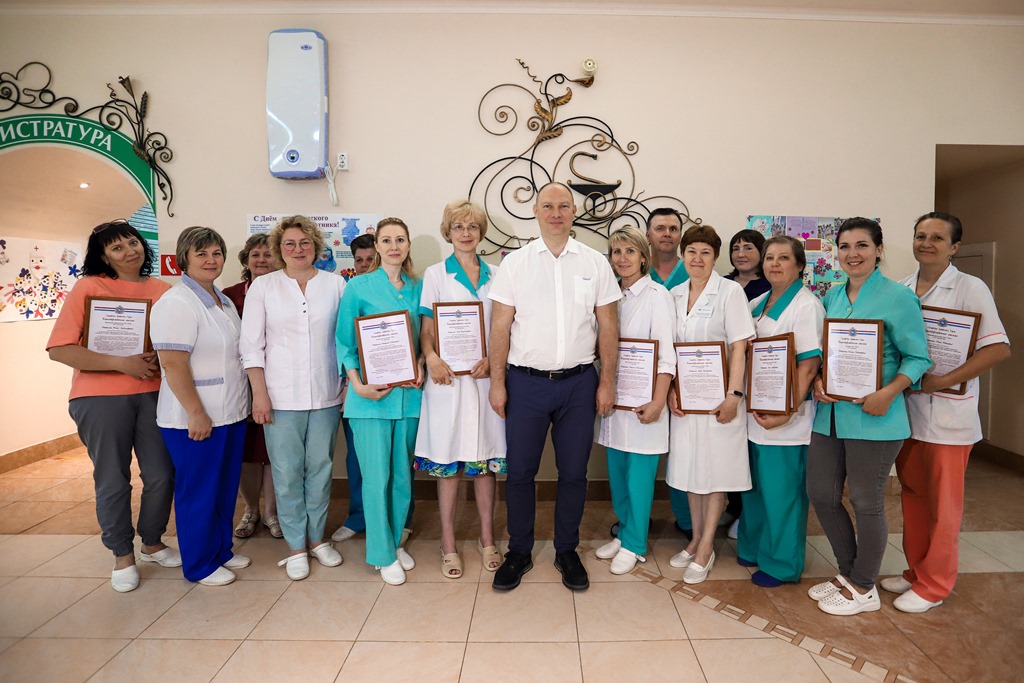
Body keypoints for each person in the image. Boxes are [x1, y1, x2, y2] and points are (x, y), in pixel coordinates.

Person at [488, 181, 621, 592]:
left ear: (574, 212)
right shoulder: (516, 264)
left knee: (575, 473)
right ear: (536, 212)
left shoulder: (595, 263)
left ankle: (567, 550)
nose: (556, 213)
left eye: (564, 206)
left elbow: (609, 326)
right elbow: (500, 326)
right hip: (525, 383)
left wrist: (607, 382)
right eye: (548, 206)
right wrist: (497, 383)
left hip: (579, 384)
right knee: (520, 472)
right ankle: (519, 551)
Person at [882, 212, 1010, 613]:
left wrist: (945, 380)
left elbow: (998, 348)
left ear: (954, 247)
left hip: (949, 417)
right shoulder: (902, 288)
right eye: (920, 235)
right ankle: (915, 572)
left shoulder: (970, 288)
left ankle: (935, 584)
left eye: (937, 238)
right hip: (909, 413)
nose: (926, 243)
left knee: (944, 506)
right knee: (914, 497)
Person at [806, 217, 931, 616]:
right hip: (830, 415)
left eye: (861, 245)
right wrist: (819, 381)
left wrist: (889, 393)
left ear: (878, 250)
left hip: (876, 417)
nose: (852, 254)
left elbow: (918, 358)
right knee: (821, 493)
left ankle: (864, 586)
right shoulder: (832, 296)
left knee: (865, 500)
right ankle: (848, 574)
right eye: (845, 246)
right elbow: (826, 353)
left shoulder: (898, 297)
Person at [46, 219, 179, 593]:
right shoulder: (89, 287)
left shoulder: (163, 290)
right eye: (117, 247)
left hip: (154, 394)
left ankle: (151, 542)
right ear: (103, 256)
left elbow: (174, 342)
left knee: (162, 474)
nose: (129, 251)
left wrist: (157, 359)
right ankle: (122, 554)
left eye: (132, 242)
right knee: (113, 478)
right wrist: (121, 363)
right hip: (98, 398)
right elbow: (60, 349)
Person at [240, 215, 346, 581]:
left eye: (304, 243)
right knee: (286, 474)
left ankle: (317, 539)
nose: (298, 249)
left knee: (320, 469)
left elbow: (346, 339)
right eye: (290, 243)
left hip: (326, 394)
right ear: (278, 249)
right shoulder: (263, 287)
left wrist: (348, 383)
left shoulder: (335, 285)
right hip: (280, 398)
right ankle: (296, 547)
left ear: (316, 246)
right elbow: (251, 347)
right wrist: (259, 395)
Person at [151, 226, 250, 586]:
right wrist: (196, 412)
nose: (211, 260)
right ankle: (198, 564)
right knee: (199, 492)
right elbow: (173, 363)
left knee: (223, 488)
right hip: (194, 417)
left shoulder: (221, 301)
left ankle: (220, 550)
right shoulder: (177, 303)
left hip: (229, 413)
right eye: (202, 254)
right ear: (184, 259)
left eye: (216, 253)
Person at [416, 200, 505, 579]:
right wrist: (431, 357)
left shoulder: (498, 275)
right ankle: (448, 542)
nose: (465, 233)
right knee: (448, 464)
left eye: (471, 227)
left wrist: (493, 359)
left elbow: (505, 327)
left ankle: (487, 538)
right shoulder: (436, 274)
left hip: (484, 381)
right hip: (447, 382)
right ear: (447, 232)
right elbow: (426, 329)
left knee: (484, 464)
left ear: (481, 232)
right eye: (458, 227)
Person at [336, 217, 424, 586]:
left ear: (408, 245)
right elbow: (344, 342)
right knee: (375, 479)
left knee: (402, 478)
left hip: (408, 397)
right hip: (370, 399)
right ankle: (381, 554)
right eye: (386, 240)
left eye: (400, 239)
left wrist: (421, 364)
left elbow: (425, 339)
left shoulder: (419, 287)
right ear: (377, 246)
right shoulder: (358, 287)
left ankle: (394, 540)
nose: (393, 246)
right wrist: (357, 383)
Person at [666, 224, 755, 584]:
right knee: (691, 469)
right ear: (682, 255)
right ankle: (694, 539)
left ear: (715, 257)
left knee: (716, 471)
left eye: (705, 252)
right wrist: (672, 389)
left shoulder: (730, 292)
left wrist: (734, 395)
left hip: (720, 400)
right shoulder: (674, 295)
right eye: (691, 251)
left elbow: (739, 346)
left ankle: (706, 547)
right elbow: (669, 349)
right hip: (687, 401)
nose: (698, 258)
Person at [738, 236, 824, 587]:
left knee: (782, 495)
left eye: (784, 258)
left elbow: (809, 364)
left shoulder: (806, 306)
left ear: (799, 265)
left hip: (787, 421)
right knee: (754, 489)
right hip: (754, 413)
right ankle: (753, 547)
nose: (775, 264)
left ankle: (781, 564)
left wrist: (787, 411)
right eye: (770, 257)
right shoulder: (755, 303)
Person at [594, 227, 675, 575]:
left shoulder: (658, 296)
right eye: (616, 252)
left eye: (630, 251)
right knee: (618, 475)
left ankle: (636, 544)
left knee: (640, 479)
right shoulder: (610, 296)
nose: (623, 258)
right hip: (615, 402)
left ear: (644, 256)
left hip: (645, 403)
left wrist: (659, 400)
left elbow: (667, 356)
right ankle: (625, 531)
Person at [222, 234, 281, 539]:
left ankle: (271, 512)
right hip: (241, 383)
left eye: (268, 254)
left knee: (271, 450)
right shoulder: (228, 296)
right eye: (255, 254)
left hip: (280, 382)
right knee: (247, 451)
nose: (262, 260)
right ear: (246, 260)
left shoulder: (286, 291)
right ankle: (250, 510)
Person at [644, 208, 692, 539]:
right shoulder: (633, 269)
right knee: (640, 455)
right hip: (641, 379)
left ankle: (686, 519)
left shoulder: (694, 270)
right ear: (648, 234)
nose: (667, 234)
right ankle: (637, 519)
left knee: (684, 452)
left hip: (688, 380)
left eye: (673, 228)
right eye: (660, 228)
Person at [331, 232, 377, 543]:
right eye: (359, 260)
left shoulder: (401, 289)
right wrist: (350, 382)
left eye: (370, 259)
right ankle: (359, 516)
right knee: (357, 457)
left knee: (395, 461)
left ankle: (397, 519)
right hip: (356, 387)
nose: (364, 265)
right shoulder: (350, 292)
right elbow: (342, 342)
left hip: (395, 386)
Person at [726, 229, 771, 301]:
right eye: (736, 249)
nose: (740, 254)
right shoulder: (722, 283)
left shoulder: (771, 286)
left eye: (748, 248)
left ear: (762, 252)